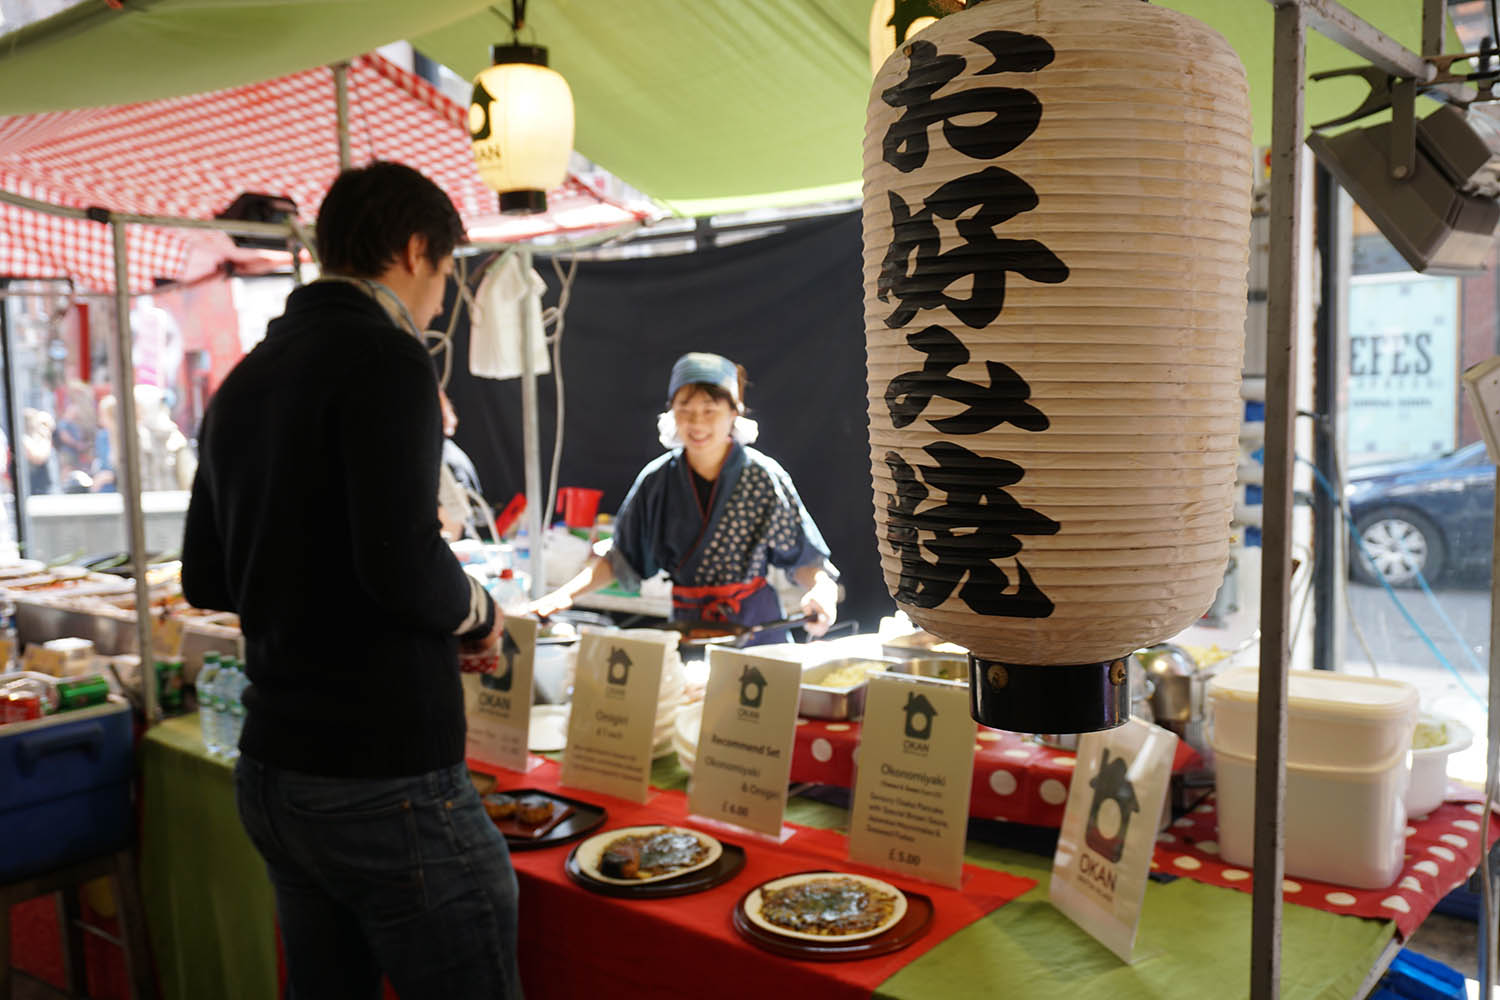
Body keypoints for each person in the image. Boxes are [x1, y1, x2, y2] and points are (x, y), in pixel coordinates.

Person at [181, 162, 521, 999]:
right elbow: (402, 565)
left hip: (274, 773)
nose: (441, 300)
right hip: (382, 775)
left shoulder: (247, 378)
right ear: (414, 249)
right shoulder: (389, 359)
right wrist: (479, 615)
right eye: (446, 274)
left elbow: (205, 575)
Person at [530, 351, 839, 643]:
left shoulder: (763, 477)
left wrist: (821, 591)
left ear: (734, 412)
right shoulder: (657, 482)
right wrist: (563, 596)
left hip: (756, 631)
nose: (697, 423)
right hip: (688, 628)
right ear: (671, 412)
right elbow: (620, 558)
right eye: (685, 409)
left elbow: (803, 559)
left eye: (709, 410)